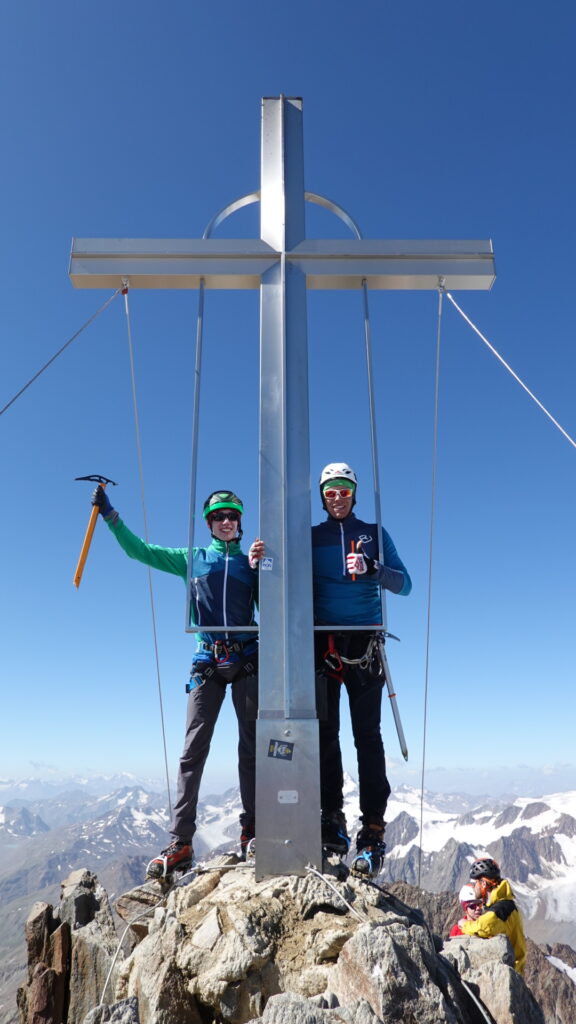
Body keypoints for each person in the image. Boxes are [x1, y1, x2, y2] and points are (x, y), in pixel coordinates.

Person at [91, 485, 261, 877]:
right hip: (207, 659)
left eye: (232, 516)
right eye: (218, 516)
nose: (226, 521)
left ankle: (252, 831)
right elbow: (141, 551)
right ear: (209, 523)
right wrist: (111, 517)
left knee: (251, 748)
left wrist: (261, 569)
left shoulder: (251, 561)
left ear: (240, 522)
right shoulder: (193, 559)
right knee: (192, 752)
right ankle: (181, 842)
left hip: (249, 657)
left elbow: (269, 607)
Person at [312, 462, 411, 876]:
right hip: (324, 642)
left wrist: (373, 568)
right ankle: (332, 814)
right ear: (323, 497)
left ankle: (372, 825)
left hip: (365, 643)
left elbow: (404, 583)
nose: (338, 497)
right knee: (325, 732)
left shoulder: (373, 534)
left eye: (344, 490)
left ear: (354, 494)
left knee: (367, 736)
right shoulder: (311, 537)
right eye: (330, 492)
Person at [459, 858, 527, 974]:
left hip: (510, 973)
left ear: (483, 883)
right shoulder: (506, 903)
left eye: (475, 883)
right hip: (515, 971)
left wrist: (464, 924)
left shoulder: (501, 909)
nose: (473, 887)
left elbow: (482, 927)